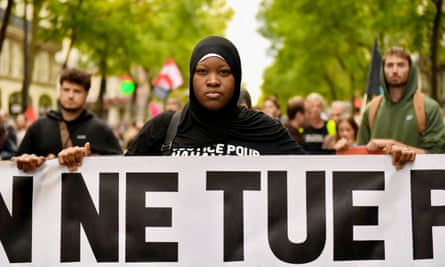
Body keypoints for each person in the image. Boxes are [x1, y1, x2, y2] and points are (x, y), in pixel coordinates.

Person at [127, 35, 305, 156]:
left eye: (224, 72)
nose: (213, 81)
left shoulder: (266, 129)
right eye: (203, 71)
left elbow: (312, 184)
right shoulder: (163, 128)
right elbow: (120, 189)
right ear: (192, 77)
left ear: (236, 78)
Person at [11, 67, 122, 172]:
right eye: (66, 90)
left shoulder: (101, 130)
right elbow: (17, 162)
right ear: (60, 90)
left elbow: (120, 165)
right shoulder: (38, 127)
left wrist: (90, 158)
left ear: (86, 94)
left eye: (77, 91)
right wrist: (31, 161)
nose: (70, 95)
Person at [357, 46, 445, 169]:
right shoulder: (371, 109)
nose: (394, 70)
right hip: (380, 186)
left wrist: (393, 145)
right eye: (389, 65)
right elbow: (359, 155)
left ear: (411, 69)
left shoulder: (428, 107)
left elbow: (437, 155)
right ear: (383, 69)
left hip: (418, 185)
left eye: (401, 65)